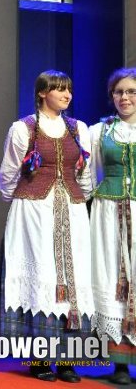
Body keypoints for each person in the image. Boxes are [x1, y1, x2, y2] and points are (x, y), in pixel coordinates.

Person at [0, 70, 93, 383]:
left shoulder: (79, 129)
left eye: (69, 90)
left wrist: (78, 199)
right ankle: (39, 359)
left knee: (72, 278)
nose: (66, 95)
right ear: (41, 94)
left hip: (73, 213)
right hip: (35, 214)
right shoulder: (22, 129)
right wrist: (25, 200)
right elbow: (8, 175)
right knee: (43, 275)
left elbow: (86, 176)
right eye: (59, 90)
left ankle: (67, 360)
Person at [90, 68, 136, 385]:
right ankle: (119, 362)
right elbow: (87, 174)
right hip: (108, 212)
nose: (125, 98)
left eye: (131, 91)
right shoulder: (99, 132)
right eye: (119, 92)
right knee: (112, 280)